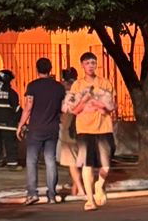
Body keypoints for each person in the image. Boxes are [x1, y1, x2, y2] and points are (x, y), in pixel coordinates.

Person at [64, 51, 117, 210]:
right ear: (82, 66)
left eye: (93, 63)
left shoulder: (105, 83)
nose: (91, 66)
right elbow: (73, 109)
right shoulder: (77, 85)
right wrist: (86, 100)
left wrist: (102, 106)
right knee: (87, 164)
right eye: (87, 63)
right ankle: (89, 200)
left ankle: (99, 185)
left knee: (105, 165)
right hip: (84, 129)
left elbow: (112, 106)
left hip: (104, 128)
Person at [18, 57, 64, 204]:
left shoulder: (32, 86)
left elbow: (28, 107)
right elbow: (62, 108)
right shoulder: (58, 87)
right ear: (50, 69)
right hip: (52, 128)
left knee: (31, 161)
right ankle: (52, 195)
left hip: (36, 128)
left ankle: (32, 193)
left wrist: (20, 125)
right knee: (50, 160)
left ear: (37, 69)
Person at [57, 66, 84, 203]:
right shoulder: (82, 92)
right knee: (80, 161)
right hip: (83, 130)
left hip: (68, 132)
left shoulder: (62, 96)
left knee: (72, 163)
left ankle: (80, 189)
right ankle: (76, 188)